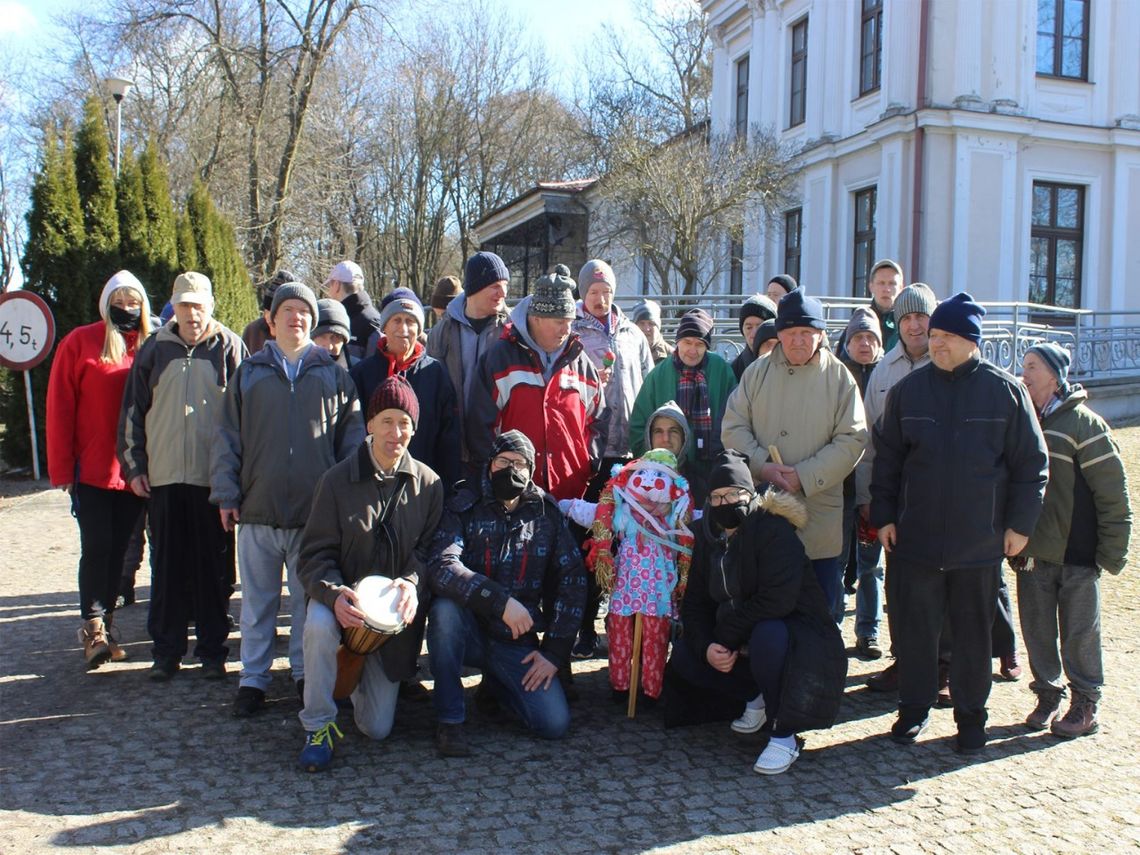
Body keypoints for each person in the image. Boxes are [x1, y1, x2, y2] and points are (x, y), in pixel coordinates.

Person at [871, 292, 1048, 753]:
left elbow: (1032, 465)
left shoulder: (1005, 391)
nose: (936, 343)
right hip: (917, 539)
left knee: (972, 636)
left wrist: (1020, 525)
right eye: (934, 335)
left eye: (947, 336)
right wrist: (885, 515)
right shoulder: (909, 391)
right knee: (915, 631)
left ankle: (971, 718)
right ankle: (913, 709)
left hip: (979, 542)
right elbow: (887, 459)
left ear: (972, 341)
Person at [211, 281, 365, 718]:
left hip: (312, 517)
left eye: (304, 311)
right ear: (271, 320)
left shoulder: (334, 376)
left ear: (312, 321)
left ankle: (303, 676)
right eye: (288, 310)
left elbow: (351, 443)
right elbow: (226, 437)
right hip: (257, 510)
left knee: (306, 602)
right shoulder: (250, 373)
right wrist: (226, 493)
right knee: (257, 604)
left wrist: (344, 502)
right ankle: (252, 679)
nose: (296, 317)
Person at [294, 377, 444, 771]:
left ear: (414, 428)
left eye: (404, 423)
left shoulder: (429, 484)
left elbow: (427, 551)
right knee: (317, 625)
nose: (396, 433)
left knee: (376, 728)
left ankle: (352, 676)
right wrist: (332, 594)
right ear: (370, 425)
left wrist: (412, 582)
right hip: (340, 601)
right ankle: (317, 725)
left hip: (389, 622)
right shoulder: (336, 481)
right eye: (387, 421)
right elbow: (312, 555)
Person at [665, 451, 846, 775]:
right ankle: (756, 694)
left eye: (734, 494)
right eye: (718, 497)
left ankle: (784, 734)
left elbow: (777, 600)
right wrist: (708, 647)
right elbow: (694, 603)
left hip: (798, 638)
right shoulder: (708, 537)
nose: (726, 503)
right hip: (740, 634)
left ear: (749, 494)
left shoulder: (774, 530)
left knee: (768, 635)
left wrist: (726, 637)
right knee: (685, 657)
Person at [426, 431, 587, 755]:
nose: (510, 469)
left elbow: (573, 580)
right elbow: (441, 566)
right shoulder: (464, 505)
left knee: (554, 724)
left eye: (519, 463)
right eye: (503, 461)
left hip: (516, 641)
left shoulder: (546, 512)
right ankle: (450, 720)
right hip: (468, 630)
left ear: (531, 470)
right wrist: (499, 602)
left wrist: (554, 651)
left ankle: (499, 687)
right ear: (489, 465)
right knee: (443, 611)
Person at [118, 272, 246, 681]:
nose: (193, 313)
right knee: (168, 568)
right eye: (185, 305)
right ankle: (166, 652)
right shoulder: (155, 348)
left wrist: (238, 478)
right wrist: (135, 467)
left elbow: (245, 416)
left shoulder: (229, 347)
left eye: (199, 305)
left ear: (211, 305)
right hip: (165, 478)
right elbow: (132, 413)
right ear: (174, 306)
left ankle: (212, 651)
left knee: (214, 571)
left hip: (214, 482)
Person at [721, 289, 868, 617]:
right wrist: (762, 466)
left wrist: (805, 475)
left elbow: (853, 438)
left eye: (806, 333)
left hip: (818, 514)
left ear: (820, 334)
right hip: (765, 511)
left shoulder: (839, 377)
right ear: (779, 333)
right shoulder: (757, 373)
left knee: (820, 612)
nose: (798, 340)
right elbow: (733, 428)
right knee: (767, 611)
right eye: (790, 333)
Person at [1017, 342, 1131, 738]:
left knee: (1080, 631)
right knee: (1036, 629)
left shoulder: (1085, 424)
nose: (1024, 373)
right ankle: (1047, 694)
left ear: (1053, 374)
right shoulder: (1023, 421)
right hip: (1032, 553)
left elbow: (1113, 493)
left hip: (1077, 553)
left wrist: (1113, 550)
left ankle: (1086, 702)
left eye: (1032, 366)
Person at [47, 270, 152, 667]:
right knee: (97, 547)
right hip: (90, 470)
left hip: (134, 471)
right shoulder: (80, 343)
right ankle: (92, 628)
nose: (127, 308)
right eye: (120, 302)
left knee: (122, 551)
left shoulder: (149, 345)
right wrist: (61, 470)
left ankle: (106, 622)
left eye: (133, 302)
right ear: (106, 303)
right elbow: (60, 408)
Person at [854, 283, 937, 689]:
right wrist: (869, 497)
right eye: (906, 317)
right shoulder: (884, 369)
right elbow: (869, 439)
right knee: (899, 586)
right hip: (895, 497)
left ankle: (942, 667)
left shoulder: (946, 362)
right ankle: (904, 659)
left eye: (921, 316)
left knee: (938, 587)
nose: (914, 325)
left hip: (938, 499)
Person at [570, 259, 653, 658]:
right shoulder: (574, 332)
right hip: (593, 453)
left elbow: (649, 384)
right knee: (592, 543)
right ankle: (584, 625)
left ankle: (619, 627)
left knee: (628, 545)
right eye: (593, 292)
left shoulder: (634, 333)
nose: (601, 299)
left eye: (606, 292)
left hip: (631, 451)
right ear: (583, 294)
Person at [468, 269, 606, 502]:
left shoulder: (582, 363)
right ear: (535, 318)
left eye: (570, 322)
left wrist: (588, 465)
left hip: (570, 495)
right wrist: (498, 478)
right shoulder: (499, 360)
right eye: (559, 322)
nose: (566, 330)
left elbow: (598, 421)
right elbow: (481, 428)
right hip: (513, 497)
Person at [350, 289, 460, 489]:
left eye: (410, 321)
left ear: (420, 329)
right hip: (370, 486)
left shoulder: (435, 374)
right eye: (397, 320)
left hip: (422, 486)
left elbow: (448, 437)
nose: (404, 328)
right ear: (385, 326)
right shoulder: (361, 375)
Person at [629, 308, 737, 507]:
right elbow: (638, 424)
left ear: (707, 347)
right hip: (667, 471)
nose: (692, 350)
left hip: (711, 467)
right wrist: (654, 463)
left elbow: (735, 417)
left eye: (699, 344)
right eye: (687, 342)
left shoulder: (721, 370)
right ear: (677, 342)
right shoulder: (659, 374)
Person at [426, 251, 511, 478]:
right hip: (453, 449)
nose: (503, 292)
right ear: (475, 288)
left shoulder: (512, 331)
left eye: (505, 285)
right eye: (495, 285)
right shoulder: (442, 332)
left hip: (500, 451)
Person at [837, 307, 883, 637]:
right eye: (858, 337)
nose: (864, 343)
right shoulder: (836, 376)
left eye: (870, 337)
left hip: (876, 486)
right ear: (848, 343)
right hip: (839, 485)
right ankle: (832, 628)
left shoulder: (889, 376)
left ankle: (868, 630)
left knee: (871, 565)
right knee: (835, 560)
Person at [323, 260, 381, 360]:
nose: (329, 292)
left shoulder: (371, 324)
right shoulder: (374, 319)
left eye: (330, 285)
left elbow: (375, 371)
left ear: (336, 285)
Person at [241, 269, 293, 355]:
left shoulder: (297, 335)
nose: (269, 317)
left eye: (274, 312)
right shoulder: (252, 332)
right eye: (266, 311)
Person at [731, 294, 778, 381]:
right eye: (749, 328)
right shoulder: (734, 370)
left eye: (760, 326)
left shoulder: (789, 362)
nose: (754, 334)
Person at [312, 298, 353, 370]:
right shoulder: (294, 371)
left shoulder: (358, 373)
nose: (329, 346)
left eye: (336, 337)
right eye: (322, 336)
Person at [631, 299, 672, 364]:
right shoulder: (626, 353)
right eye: (642, 323)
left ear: (658, 327)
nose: (647, 329)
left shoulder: (672, 357)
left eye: (651, 323)